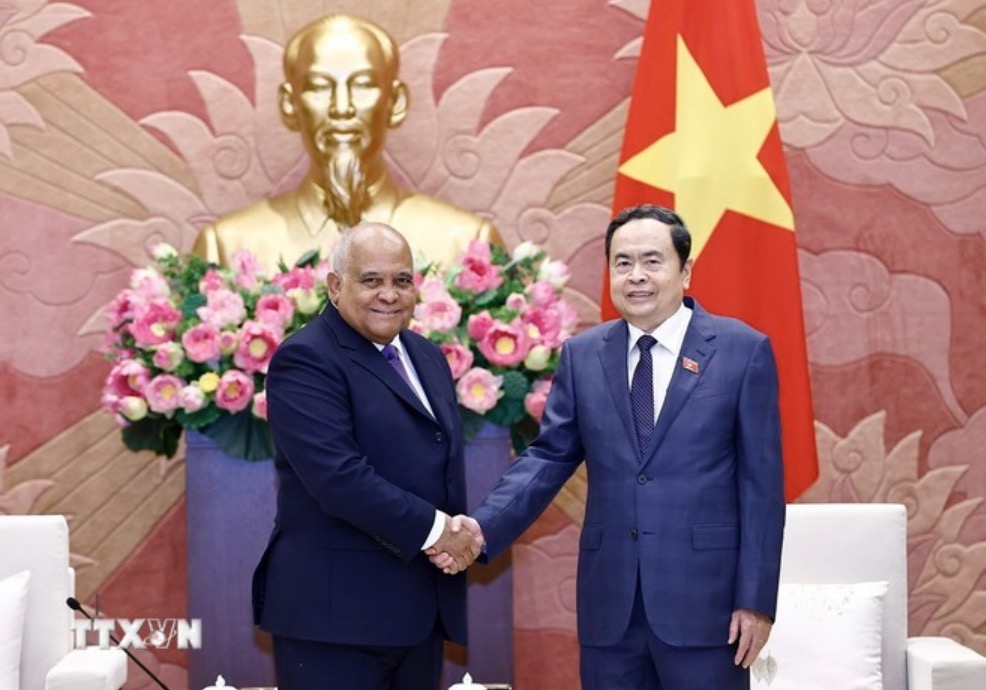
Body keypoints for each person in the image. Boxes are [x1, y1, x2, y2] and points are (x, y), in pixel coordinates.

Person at [431, 204, 786, 690]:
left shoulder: (741, 351)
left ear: (686, 271)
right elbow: (549, 457)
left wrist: (756, 599)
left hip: (708, 606)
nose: (636, 276)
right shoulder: (583, 355)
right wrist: (481, 529)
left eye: (652, 261)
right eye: (622, 263)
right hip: (611, 609)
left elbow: (761, 487)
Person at [253, 222, 482, 689]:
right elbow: (339, 479)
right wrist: (442, 532)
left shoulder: (427, 355)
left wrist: (460, 534)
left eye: (401, 280)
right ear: (335, 286)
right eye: (371, 280)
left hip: (418, 612)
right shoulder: (305, 359)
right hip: (336, 620)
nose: (389, 294)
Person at [193, 13, 500, 274]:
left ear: (395, 102)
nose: (342, 108)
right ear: (289, 104)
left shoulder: (466, 243)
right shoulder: (225, 247)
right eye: (319, 87)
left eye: (363, 85)